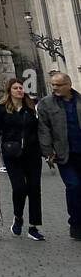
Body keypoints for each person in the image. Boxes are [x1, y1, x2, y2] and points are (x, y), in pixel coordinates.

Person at [0, 77, 44, 240]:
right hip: (12, 153)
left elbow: (39, 129)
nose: (20, 90)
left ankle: (34, 227)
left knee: (34, 188)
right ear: (9, 91)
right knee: (19, 188)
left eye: (21, 88)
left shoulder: (31, 107)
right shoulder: (0, 108)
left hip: (32, 153)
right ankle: (18, 218)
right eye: (16, 88)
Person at [38, 71, 81, 240]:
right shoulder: (46, 104)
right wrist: (48, 152)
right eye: (52, 85)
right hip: (65, 154)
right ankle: (76, 224)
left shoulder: (79, 100)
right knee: (74, 187)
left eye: (58, 85)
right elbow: (44, 129)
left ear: (69, 85)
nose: (54, 88)